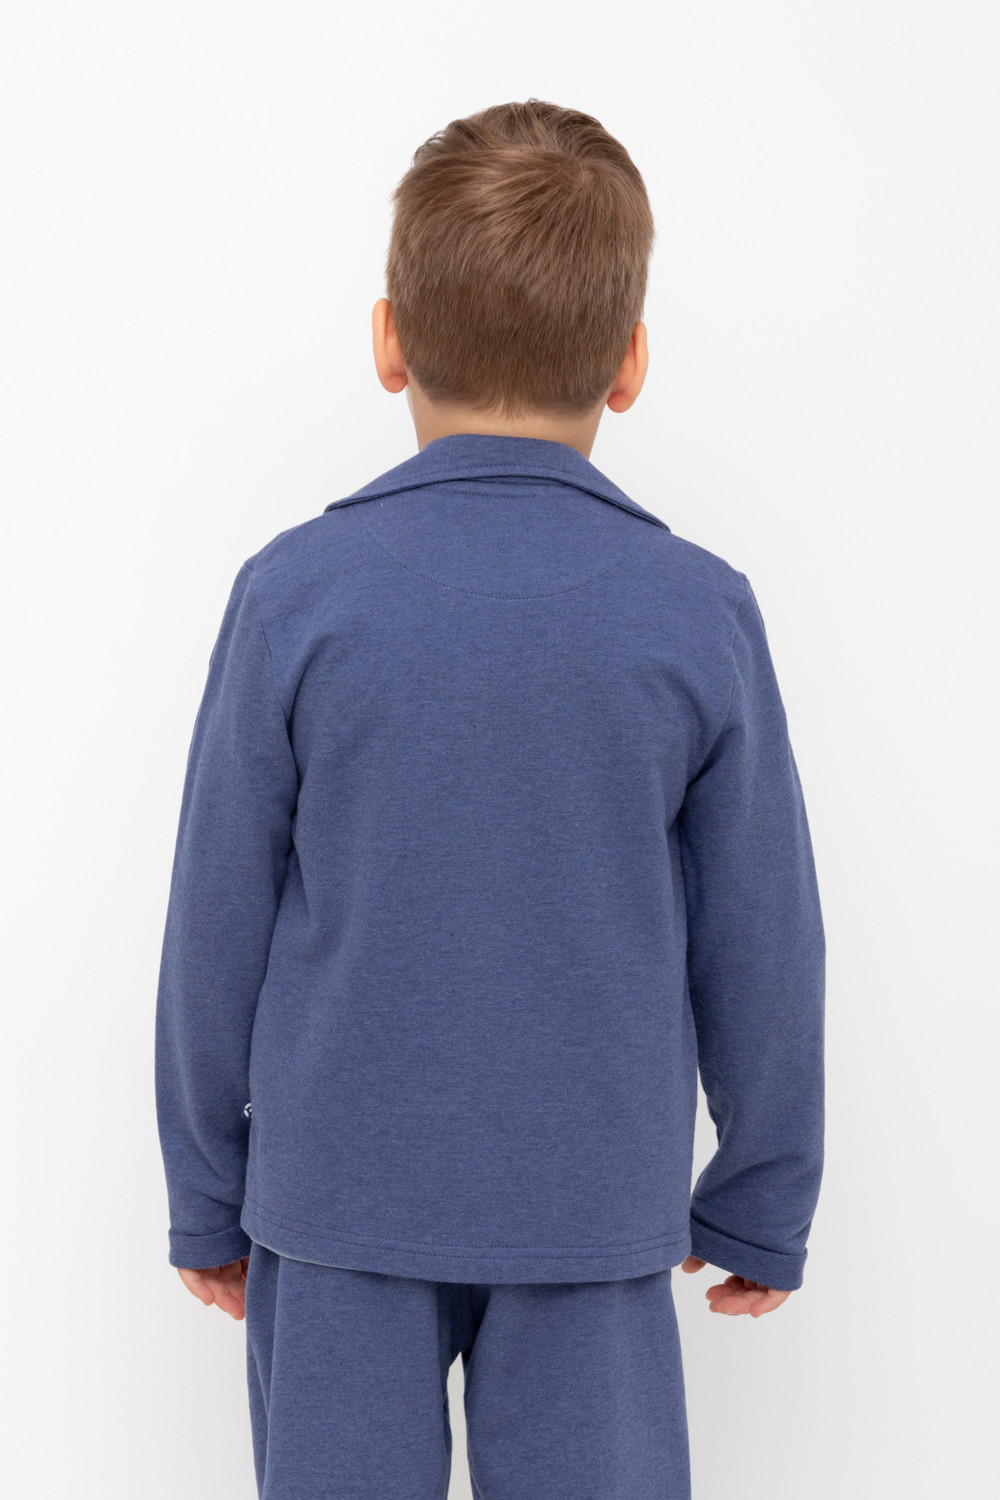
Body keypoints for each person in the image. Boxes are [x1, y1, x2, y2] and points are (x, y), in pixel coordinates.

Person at [154, 98, 826, 1500]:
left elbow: (213, 923)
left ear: (389, 339)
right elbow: (763, 937)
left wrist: (207, 1189)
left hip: (335, 1205)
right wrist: (763, 1189)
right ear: (629, 362)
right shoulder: (696, 612)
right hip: (589, 1206)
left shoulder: (294, 597)